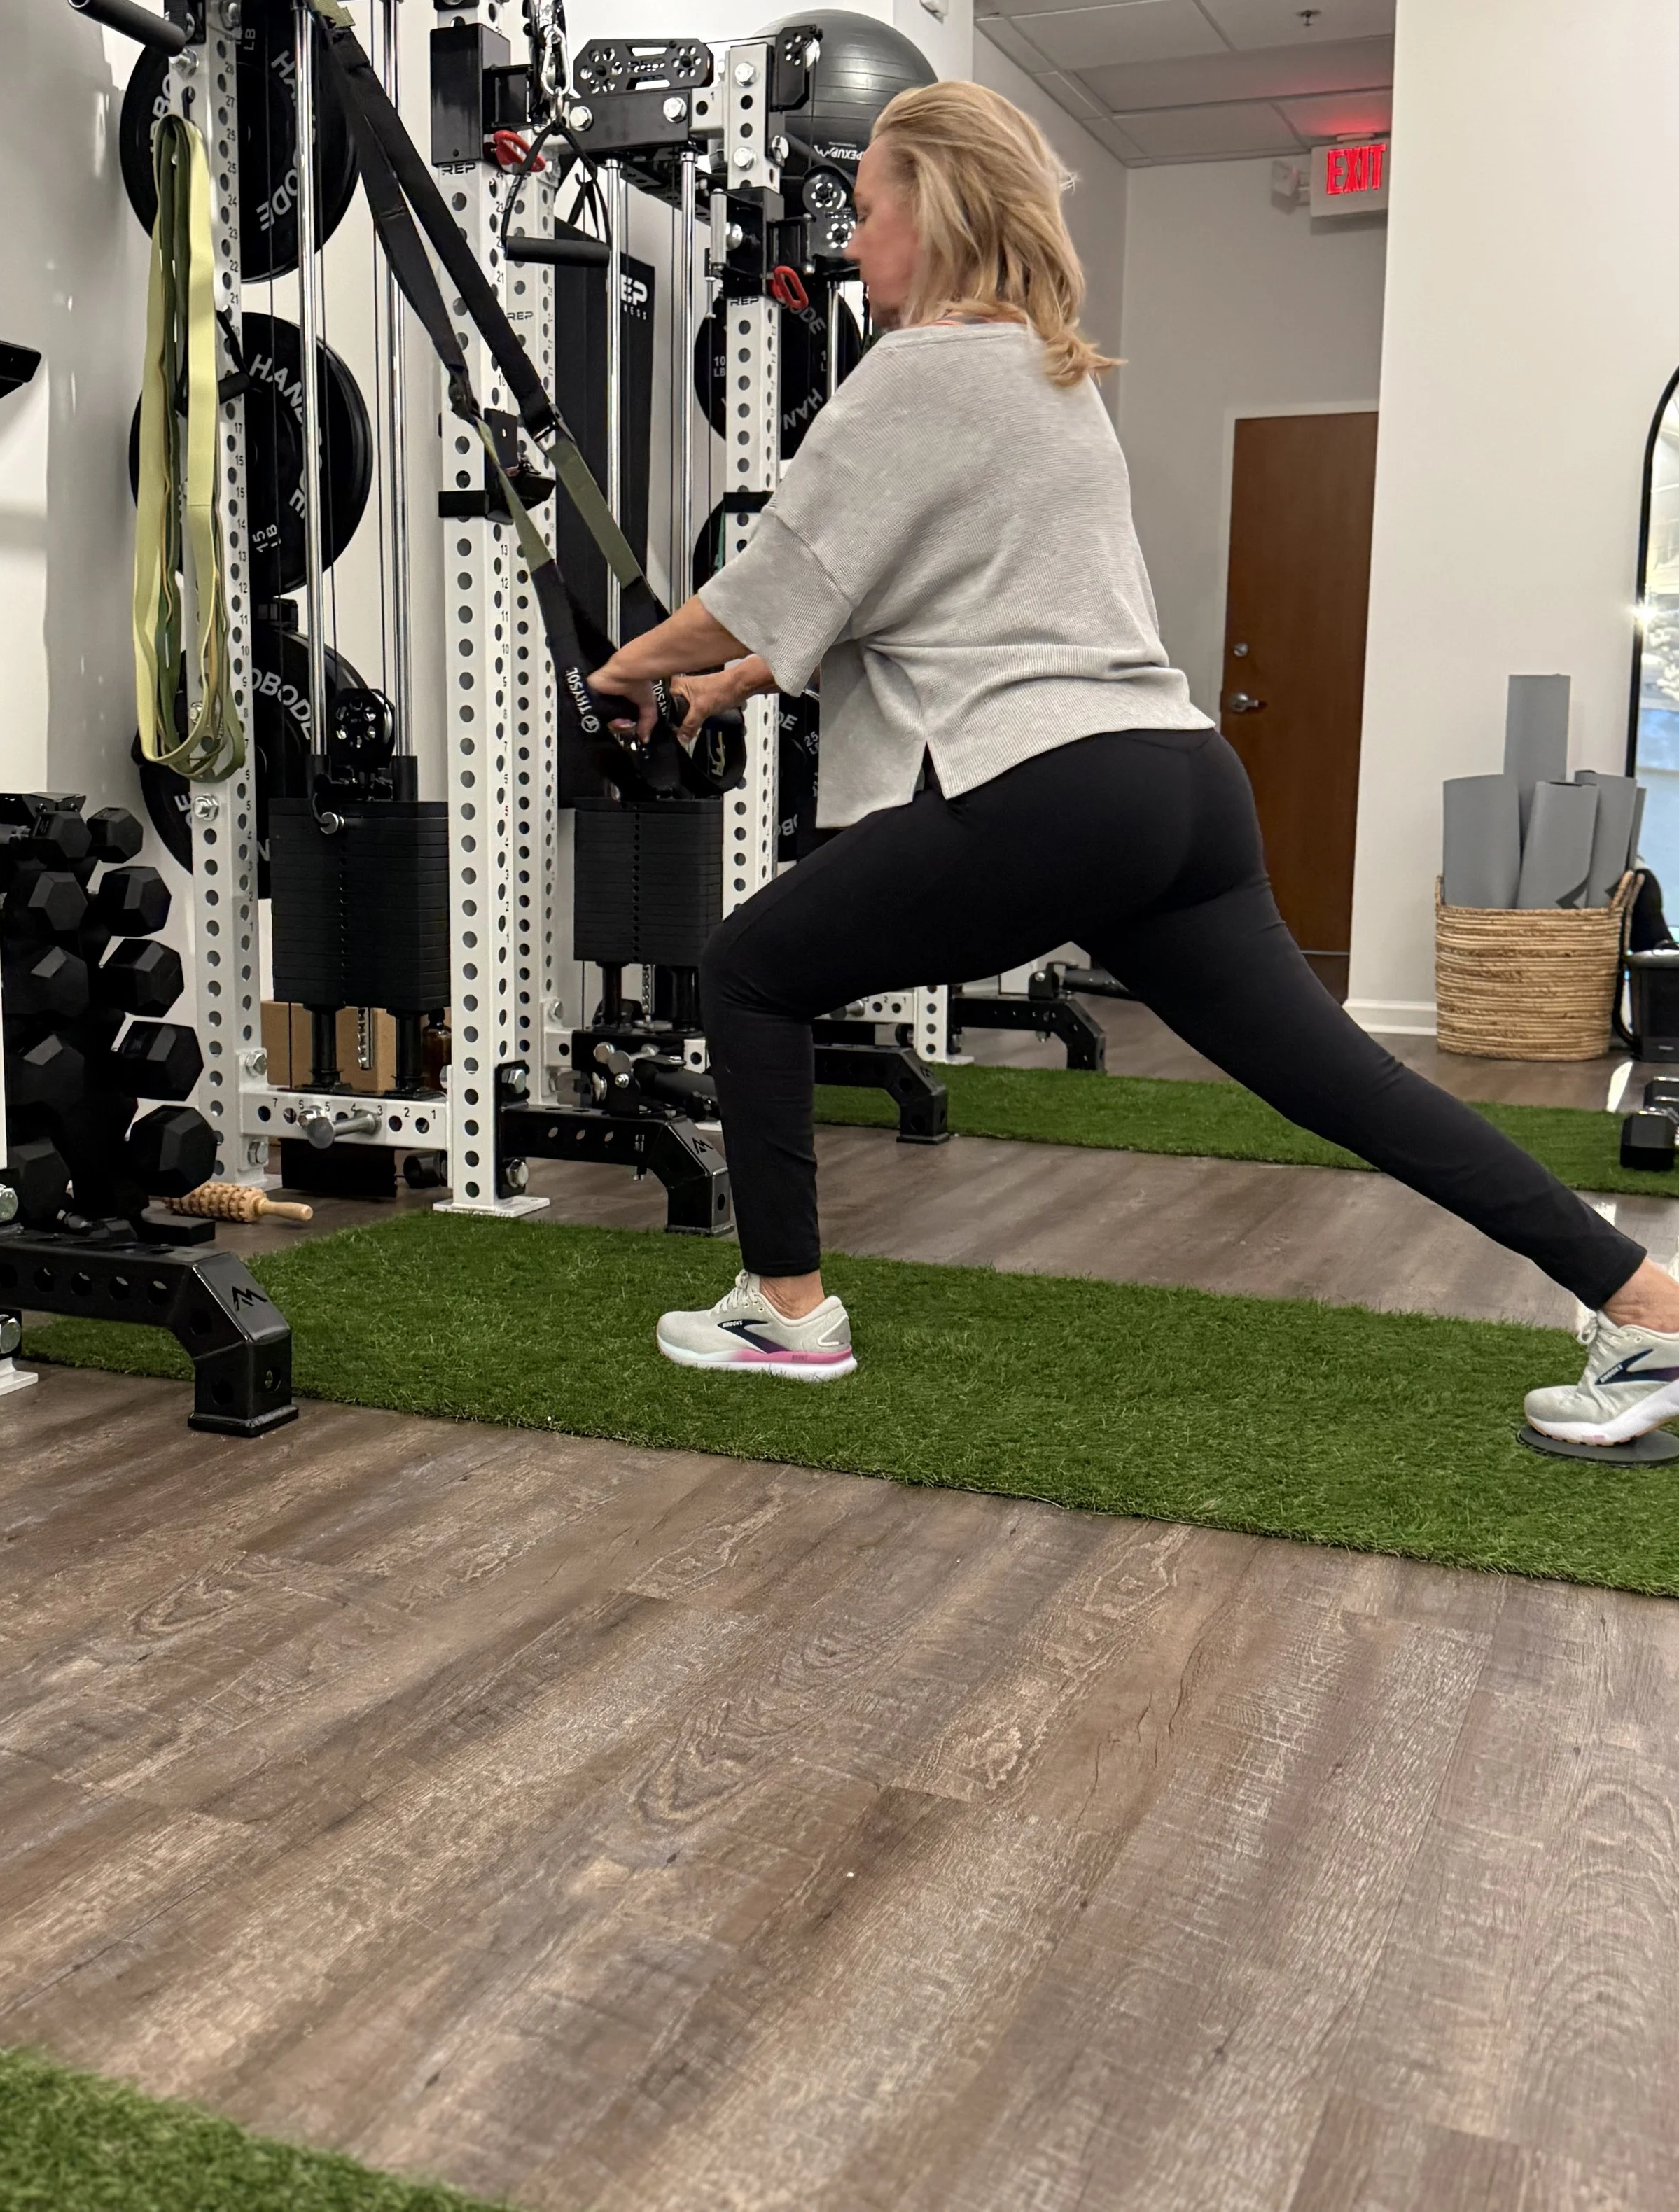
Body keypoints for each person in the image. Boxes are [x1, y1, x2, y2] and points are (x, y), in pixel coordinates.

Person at [586, 79, 1679, 1445]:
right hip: (1174, 785)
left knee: (750, 966)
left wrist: (624, 668)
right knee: (1343, 1080)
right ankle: (1644, 1302)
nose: (848, 247)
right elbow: (913, 593)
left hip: (1053, 786)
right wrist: (735, 679)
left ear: (930, 205)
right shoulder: (1047, 375)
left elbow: (761, 585)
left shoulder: (915, 372)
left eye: (865, 214)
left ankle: (784, 1308)